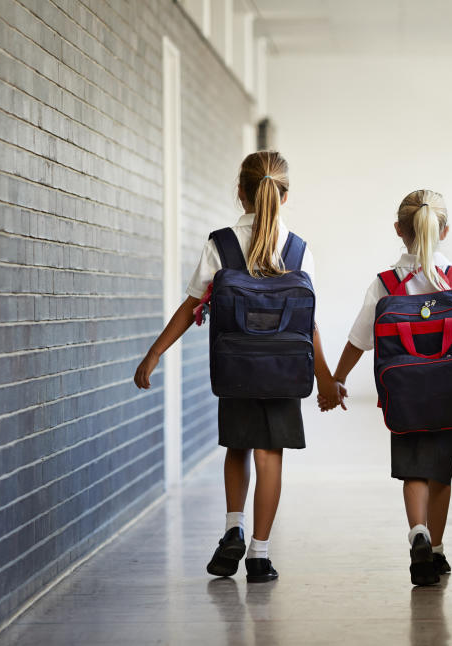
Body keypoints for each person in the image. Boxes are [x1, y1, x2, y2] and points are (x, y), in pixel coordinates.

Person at [133, 151, 342, 582]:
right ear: (284, 196)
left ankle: (233, 528)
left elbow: (191, 305)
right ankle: (260, 556)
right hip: (285, 371)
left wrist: (154, 353)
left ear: (240, 192)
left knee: (239, 447)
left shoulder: (221, 243)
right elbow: (310, 324)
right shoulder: (300, 249)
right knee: (270, 457)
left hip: (235, 369)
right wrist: (326, 379)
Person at [322, 189, 452, 586]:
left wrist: (337, 378)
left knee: (414, 470)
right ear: (445, 231)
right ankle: (435, 549)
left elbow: (358, 339)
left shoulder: (385, 283)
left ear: (399, 230)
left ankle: (417, 532)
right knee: (441, 475)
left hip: (405, 394)